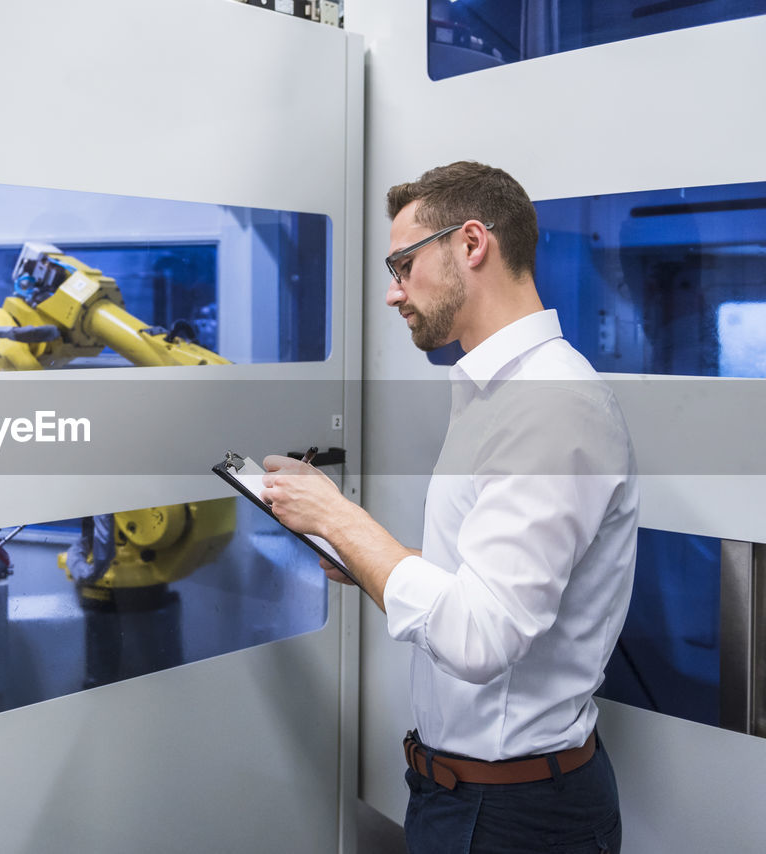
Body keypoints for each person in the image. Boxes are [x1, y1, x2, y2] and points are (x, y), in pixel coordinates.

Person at [261, 161, 639, 854]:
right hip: (466, 798)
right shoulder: (500, 394)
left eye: (402, 264)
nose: (392, 293)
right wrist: (370, 559)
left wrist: (338, 518)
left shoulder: (550, 406)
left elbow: (480, 636)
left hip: (514, 818)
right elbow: (483, 587)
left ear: (471, 244)